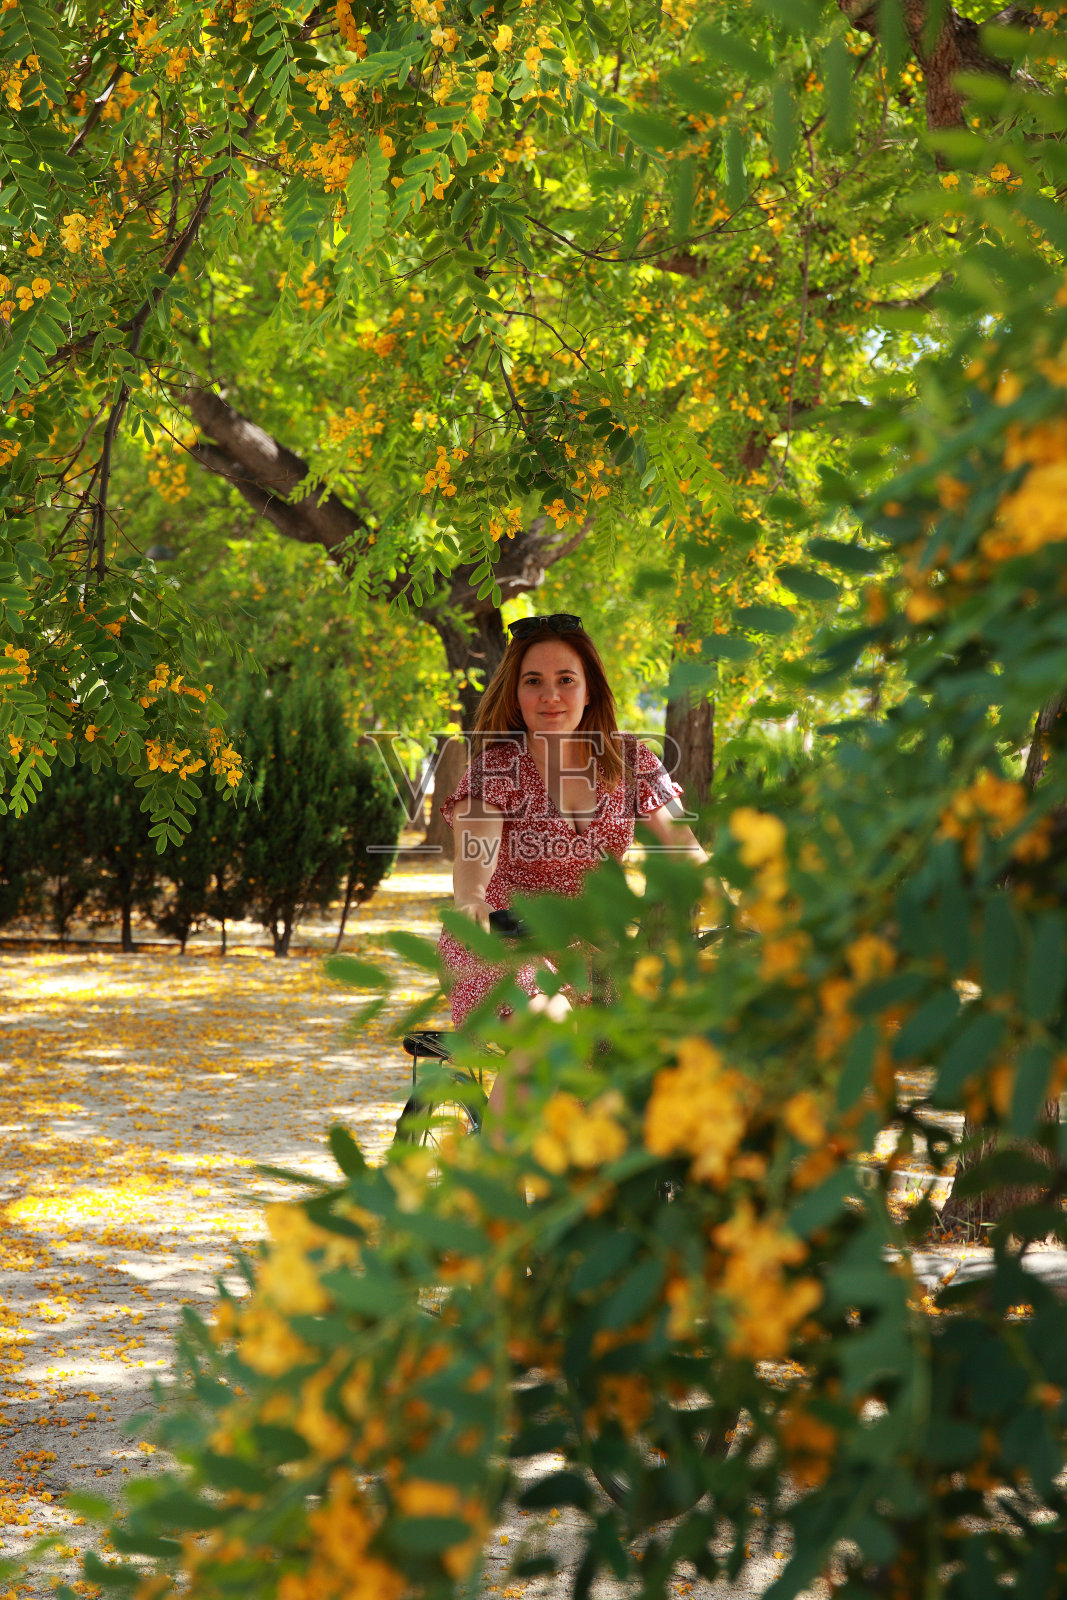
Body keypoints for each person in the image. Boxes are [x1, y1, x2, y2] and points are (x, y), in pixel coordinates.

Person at [437, 613, 708, 1037]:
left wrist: (745, 911)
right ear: (515, 694)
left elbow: (687, 851)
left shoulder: (633, 762)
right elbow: (475, 852)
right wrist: (471, 899)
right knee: (549, 1032)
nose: (550, 696)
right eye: (533, 682)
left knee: (648, 1062)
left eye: (565, 679)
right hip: (502, 942)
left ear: (589, 691)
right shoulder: (497, 769)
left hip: (593, 953)